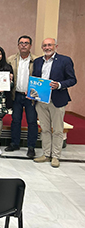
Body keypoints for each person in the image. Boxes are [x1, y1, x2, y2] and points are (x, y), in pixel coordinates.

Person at [32, 38, 77, 168]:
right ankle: (46, 154)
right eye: (44, 45)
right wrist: (31, 93)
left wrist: (59, 85)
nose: (47, 47)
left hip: (57, 99)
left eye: (49, 45)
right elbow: (35, 79)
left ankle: (56, 156)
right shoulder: (38, 61)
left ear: (56, 46)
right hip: (41, 100)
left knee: (57, 130)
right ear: (42, 47)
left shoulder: (65, 60)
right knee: (45, 129)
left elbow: (72, 79)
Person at [5, 36, 38, 158]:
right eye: (21, 43)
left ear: (30, 46)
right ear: (18, 45)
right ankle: (14, 143)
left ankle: (31, 147)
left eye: (26, 43)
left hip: (31, 97)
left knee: (32, 121)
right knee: (16, 120)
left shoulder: (37, 60)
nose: (23, 45)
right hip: (16, 94)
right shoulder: (11, 60)